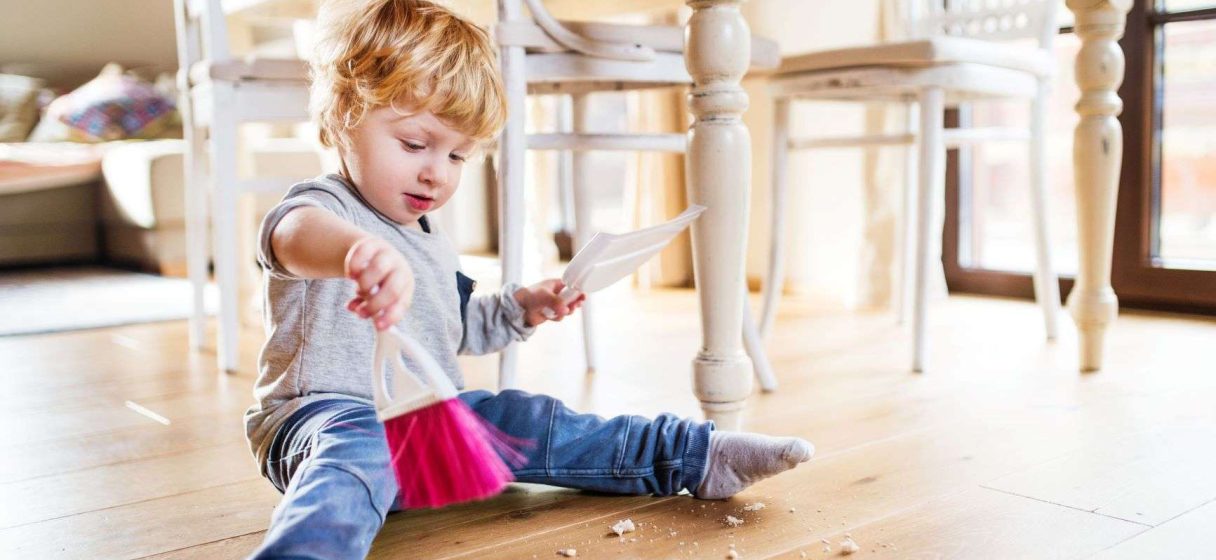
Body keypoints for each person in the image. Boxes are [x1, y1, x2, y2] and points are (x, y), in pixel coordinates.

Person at [245, 1, 813, 557]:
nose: (435, 172)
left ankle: (693, 455)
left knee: (532, 419)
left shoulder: (428, 237)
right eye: (415, 144)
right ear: (343, 117)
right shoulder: (324, 209)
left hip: (427, 424)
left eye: (458, 156)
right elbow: (293, 239)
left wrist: (520, 308)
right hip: (321, 418)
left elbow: (457, 327)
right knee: (361, 447)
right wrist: (354, 254)